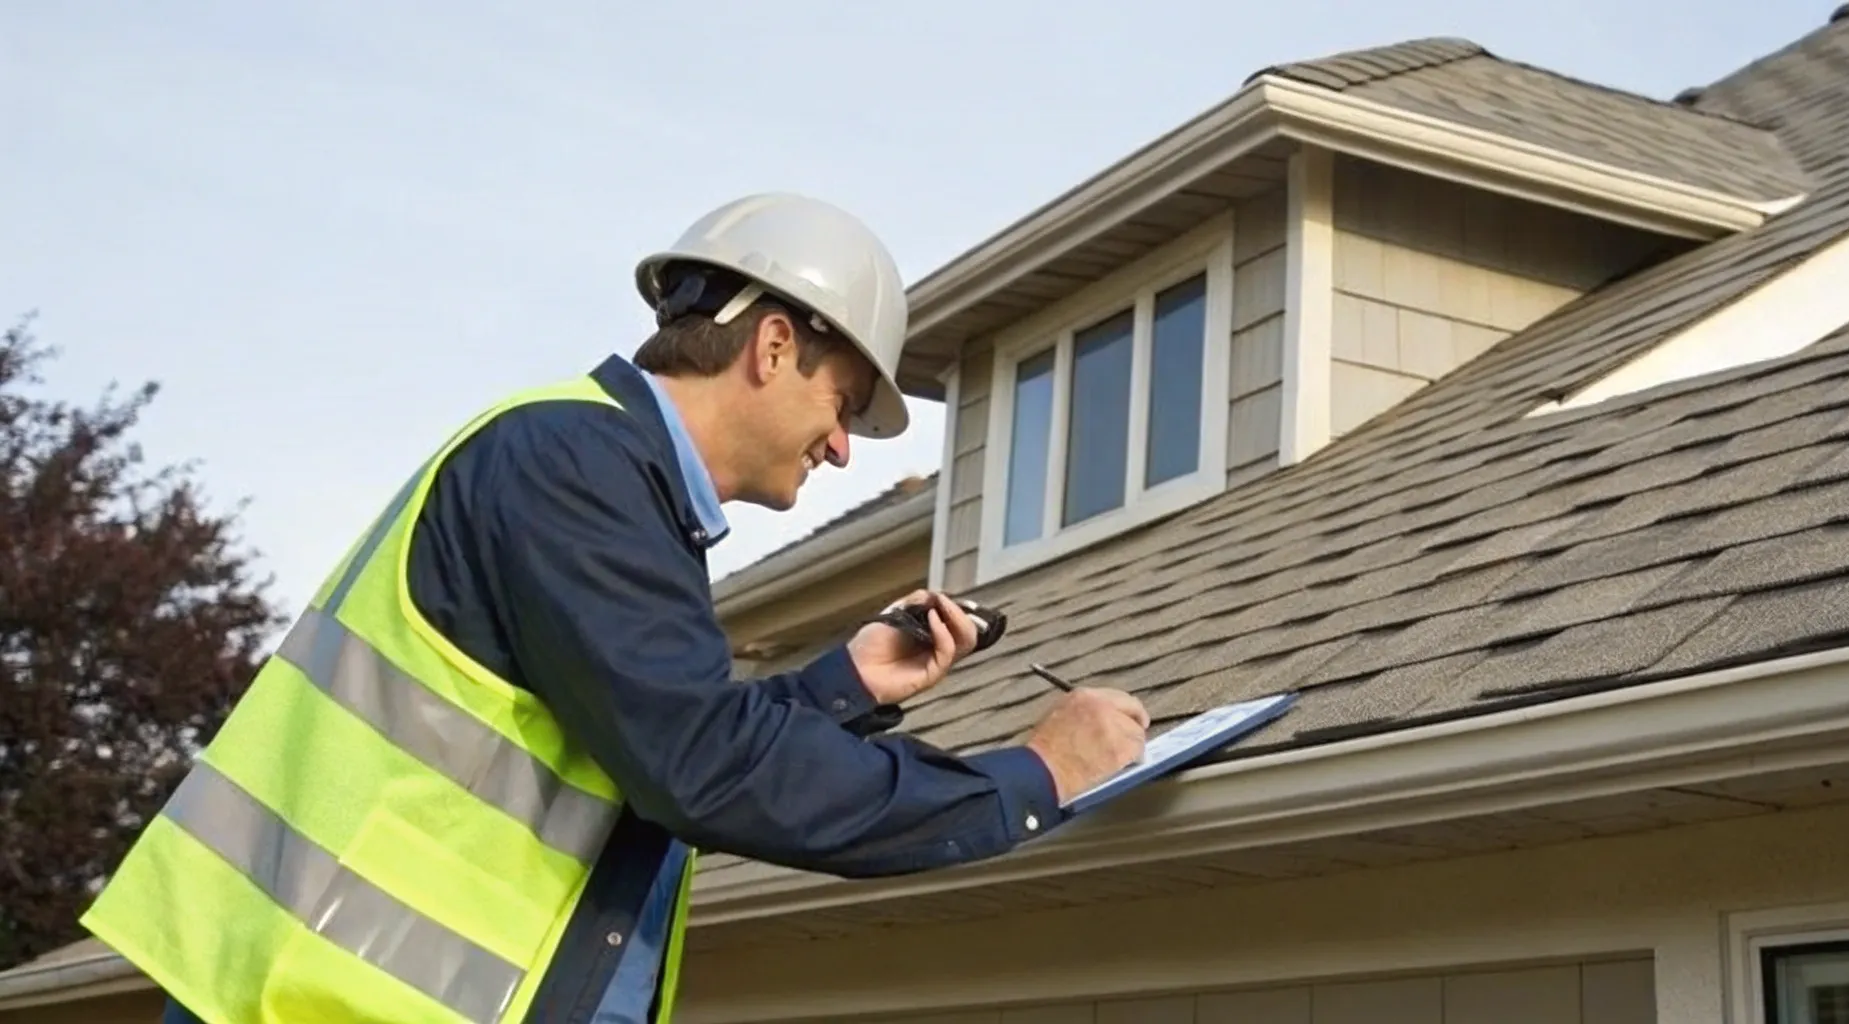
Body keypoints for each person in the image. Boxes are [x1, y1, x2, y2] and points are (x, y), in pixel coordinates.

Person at [82, 193, 1152, 1024]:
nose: (838, 446)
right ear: (772, 345)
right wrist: (1032, 777)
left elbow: (631, 757)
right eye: (839, 406)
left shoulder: (603, 484)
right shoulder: (573, 464)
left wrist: (837, 686)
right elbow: (698, 767)